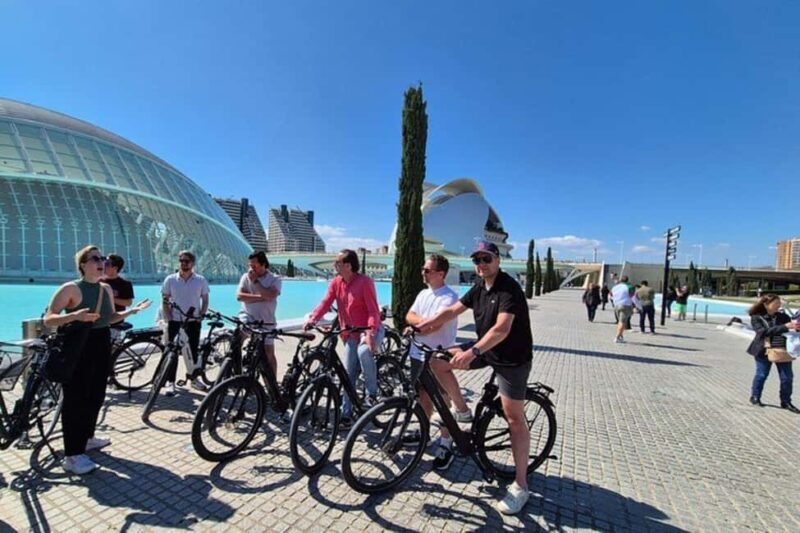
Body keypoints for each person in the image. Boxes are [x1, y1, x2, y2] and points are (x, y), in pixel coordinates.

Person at [417, 241, 533, 515]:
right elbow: (452, 311)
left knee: (514, 418)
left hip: (511, 359)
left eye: (486, 259)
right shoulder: (480, 286)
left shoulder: (509, 288)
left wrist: (472, 352)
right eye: (477, 260)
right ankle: (462, 410)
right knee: (437, 361)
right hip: (486, 348)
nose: (481, 264)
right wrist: (423, 326)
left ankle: (521, 485)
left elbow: (502, 329)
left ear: (498, 260)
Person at [44, 245, 151, 474]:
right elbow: (49, 319)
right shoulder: (71, 289)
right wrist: (75, 316)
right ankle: (72, 455)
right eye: (95, 258)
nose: (102, 262)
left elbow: (110, 318)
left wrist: (132, 311)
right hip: (78, 345)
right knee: (76, 399)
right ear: (83, 264)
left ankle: (87, 438)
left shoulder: (105, 289)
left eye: (102, 258)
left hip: (101, 342)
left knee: (96, 394)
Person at [304, 249, 384, 428]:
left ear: (348, 265)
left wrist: (370, 333)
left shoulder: (365, 282)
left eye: (337, 263)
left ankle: (372, 394)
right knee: (348, 374)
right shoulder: (336, 282)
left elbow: (373, 311)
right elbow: (326, 302)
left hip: (369, 329)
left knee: (364, 352)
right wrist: (313, 319)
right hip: (350, 333)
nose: (335, 265)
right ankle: (346, 414)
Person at [404, 254, 463, 470]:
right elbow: (409, 315)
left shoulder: (449, 297)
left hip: (438, 356)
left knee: (442, 401)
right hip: (418, 353)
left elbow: (435, 327)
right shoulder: (423, 293)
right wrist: (423, 324)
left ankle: (446, 443)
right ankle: (425, 432)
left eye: (427, 270)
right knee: (423, 396)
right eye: (423, 269)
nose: (423, 273)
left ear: (441, 274)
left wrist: (418, 326)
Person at [161, 250, 210, 395]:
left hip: (193, 321)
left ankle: (193, 379)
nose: (183, 263)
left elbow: (205, 300)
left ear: (193, 263)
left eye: (186, 261)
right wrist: (169, 317)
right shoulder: (170, 279)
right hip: (175, 321)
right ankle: (170, 382)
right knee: (172, 352)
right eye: (181, 261)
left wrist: (202, 314)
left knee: (193, 350)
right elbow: (165, 299)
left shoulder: (200, 280)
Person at [747, 295, 799, 413]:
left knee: (787, 377)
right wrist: (784, 327)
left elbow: (792, 329)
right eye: (775, 304)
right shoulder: (756, 317)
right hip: (763, 350)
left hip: (782, 350)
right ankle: (755, 397)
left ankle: (786, 401)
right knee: (761, 375)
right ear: (766, 304)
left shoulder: (783, 316)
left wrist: (795, 326)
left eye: (779, 304)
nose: (778, 306)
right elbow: (762, 332)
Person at [236, 251, 282, 376]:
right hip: (248, 316)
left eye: (254, 266)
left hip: (266, 321)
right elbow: (240, 297)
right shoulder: (246, 277)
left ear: (263, 265)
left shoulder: (275, 279)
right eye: (250, 265)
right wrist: (262, 297)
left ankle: (272, 384)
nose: (251, 269)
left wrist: (256, 283)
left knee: (268, 354)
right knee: (236, 341)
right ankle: (235, 372)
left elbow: (271, 295)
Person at [610, 276, 634, 343]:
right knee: (622, 322)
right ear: (627, 280)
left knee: (620, 322)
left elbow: (610, 296)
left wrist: (615, 301)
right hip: (625, 305)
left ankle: (620, 336)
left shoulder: (615, 287)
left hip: (616, 305)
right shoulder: (629, 287)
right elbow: (633, 297)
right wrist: (638, 306)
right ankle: (617, 337)